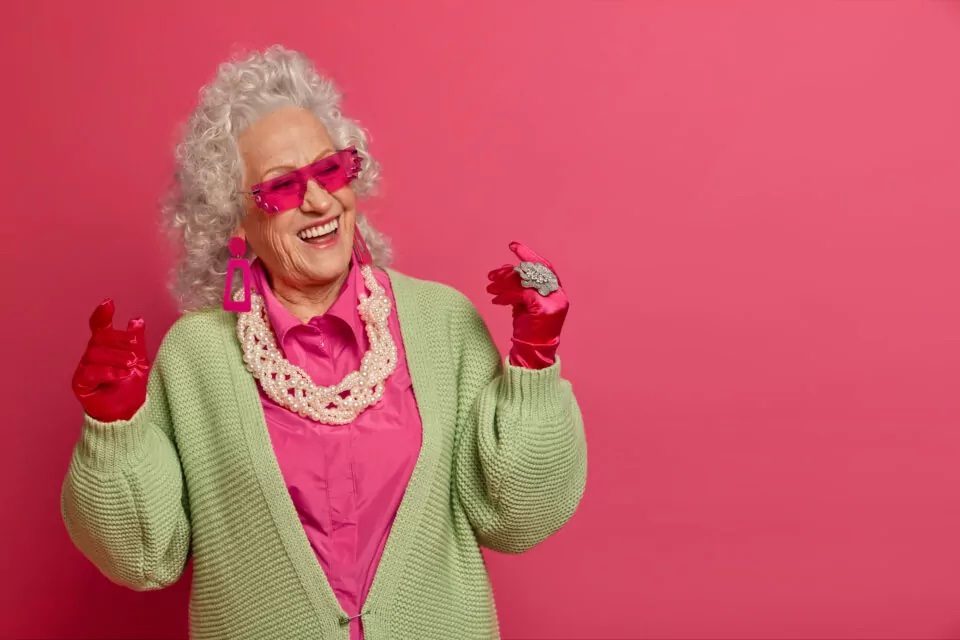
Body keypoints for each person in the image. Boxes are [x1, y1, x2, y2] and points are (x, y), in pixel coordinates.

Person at [61, 44, 587, 640]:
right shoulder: (196, 356)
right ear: (234, 220)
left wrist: (534, 359)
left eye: (329, 170)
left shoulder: (443, 323)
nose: (318, 200)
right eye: (281, 187)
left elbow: (520, 517)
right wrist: (114, 431)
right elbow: (144, 557)